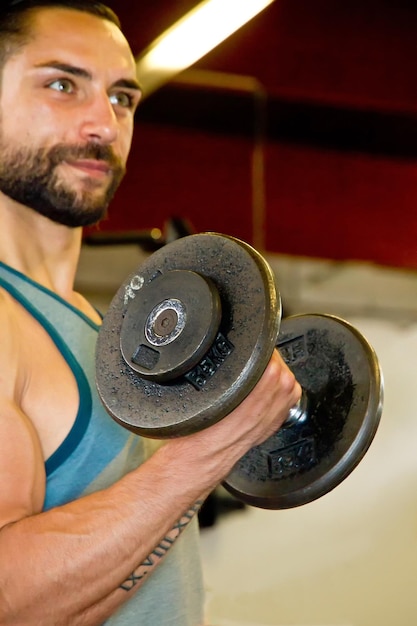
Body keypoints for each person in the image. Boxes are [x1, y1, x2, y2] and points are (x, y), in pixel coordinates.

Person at [0, 1, 301, 624]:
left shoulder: (94, 325)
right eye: (62, 85)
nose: (104, 126)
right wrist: (210, 451)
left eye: (122, 99)